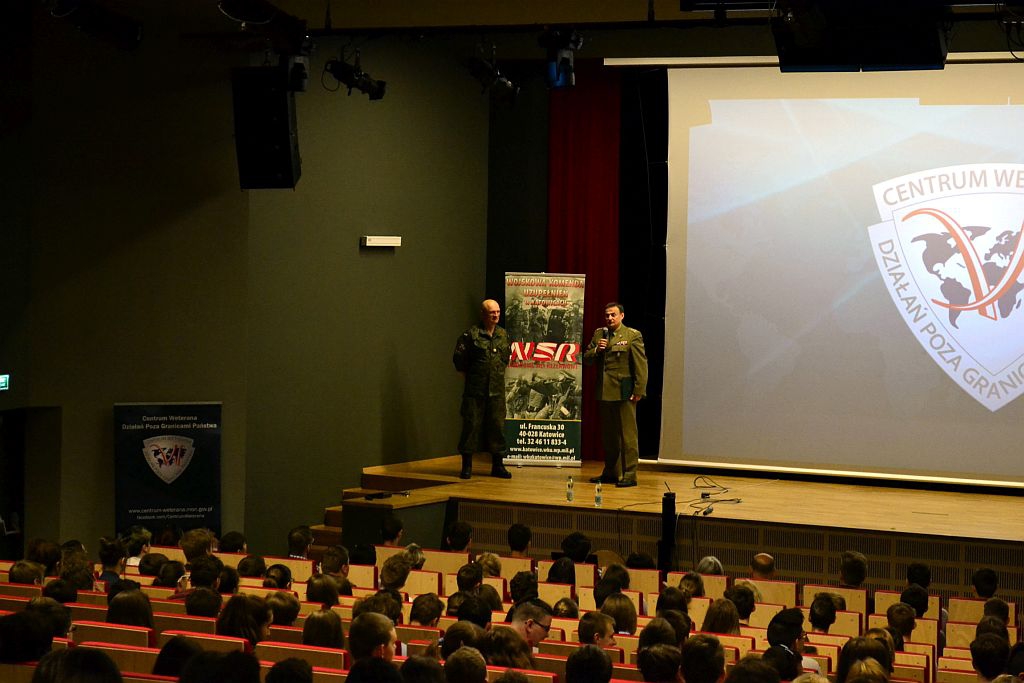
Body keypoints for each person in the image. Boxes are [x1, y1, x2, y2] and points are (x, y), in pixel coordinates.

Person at [585, 301, 647, 487]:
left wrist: (639, 390)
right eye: (607, 315)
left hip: (624, 391)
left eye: (613, 315)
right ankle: (611, 472)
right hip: (604, 392)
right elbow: (586, 359)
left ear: (622, 316)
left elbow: (641, 365)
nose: (610, 318)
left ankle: (630, 474)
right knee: (609, 437)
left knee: (628, 436)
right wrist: (597, 349)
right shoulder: (599, 334)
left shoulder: (632, 335)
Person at [453, 298, 512, 479]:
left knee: (497, 427)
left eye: (498, 312)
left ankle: (498, 465)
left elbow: (506, 359)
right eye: (492, 312)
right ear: (483, 314)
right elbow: (459, 361)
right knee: (471, 426)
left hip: (497, 391)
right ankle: (467, 465)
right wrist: (474, 379)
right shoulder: (471, 335)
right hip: (475, 391)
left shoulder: (503, 334)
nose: (496, 315)